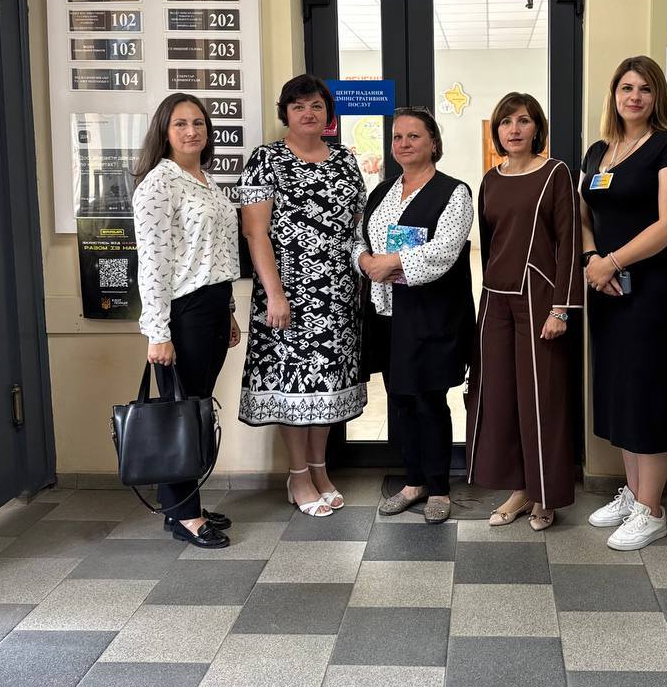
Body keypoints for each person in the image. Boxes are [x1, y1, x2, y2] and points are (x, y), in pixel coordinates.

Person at [238, 73, 366, 517]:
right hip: (287, 295)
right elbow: (255, 233)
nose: (308, 113)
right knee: (293, 385)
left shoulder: (345, 159)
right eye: (298, 106)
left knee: (325, 386)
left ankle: (319, 469)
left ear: (328, 112)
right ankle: (297, 475)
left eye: (316, 105)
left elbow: (356, 225)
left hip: (337, 293)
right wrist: (275, 294)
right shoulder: (265, 159)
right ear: (285, 113)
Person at [580, 56, 667, 549]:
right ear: (614, 94)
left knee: (647, 392)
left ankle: (652, 509)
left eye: (644, 89)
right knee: (619, 390)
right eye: (626, 87)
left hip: (651, 290)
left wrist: (612, 262)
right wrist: (592, 259)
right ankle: (632, 493)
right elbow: (583, 216)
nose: (634, 97)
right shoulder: (597, 152)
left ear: (656, 97)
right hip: (607, 288)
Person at [466, 92, 583, 530]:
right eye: (506, 121)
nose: (514, 129)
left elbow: (569, 243)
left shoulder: (555, 173)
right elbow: (490, 245)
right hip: (494, 300)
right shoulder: (490, 180)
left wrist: (561, 308)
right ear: (497, 130)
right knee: (501, 398)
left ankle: (545, 495)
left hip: (540, 299)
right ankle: (519, 490)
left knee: (542, 398)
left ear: (537, 129)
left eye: (523, 120)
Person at [355, 108, 474, 524]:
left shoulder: (453, 192)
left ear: (433, 143)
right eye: (398, 137)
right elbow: (359, 239)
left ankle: (439, 487)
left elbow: (444, 250)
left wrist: (390, 263)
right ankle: (413, 482)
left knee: (428, 399)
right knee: (400, 398)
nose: (404, 144)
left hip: (430, 313)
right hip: (388, 313)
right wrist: (366, 262)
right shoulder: (382, 192)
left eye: (414, 136)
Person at [132, 93, 241, 549]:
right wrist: (158, 332)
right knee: (184, 414)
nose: (192, 131)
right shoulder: (158, 185)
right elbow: (153, 265)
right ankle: (186, 517)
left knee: (194, 408)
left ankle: (179, 503)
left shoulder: (205, 181)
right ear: (165, 131)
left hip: (213, 305)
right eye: (180, 123)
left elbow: (217, 252)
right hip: (183, 312)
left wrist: (229, 309)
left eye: (198, 122)